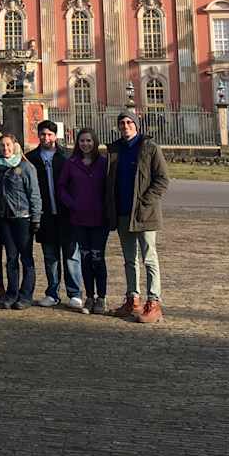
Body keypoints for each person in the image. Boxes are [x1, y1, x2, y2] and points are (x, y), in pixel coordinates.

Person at [106, 111, 170, 323]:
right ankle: (133, 299)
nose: (125, 126)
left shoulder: (150, 148)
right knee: (129, 260)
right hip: (123, 212)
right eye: (122, 123)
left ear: (136, 125)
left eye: (129, 122)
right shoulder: (114, 150)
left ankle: (154, 301)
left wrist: (145, 201)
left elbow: (162, 179)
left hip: (145, 213)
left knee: (149, 258)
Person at [27, 119, 83, 309]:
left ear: (55, 136)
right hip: (45, 215)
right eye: (43, 134)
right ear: (38, 136)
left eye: (50, 134)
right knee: (50, 257)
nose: (46, 137)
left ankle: (75, 293)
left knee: (71, 256)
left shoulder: (66, 157)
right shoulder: (31, 158)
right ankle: (52, 293)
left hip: (66, 214)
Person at [57, 127, 108, 313]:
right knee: (85, 259)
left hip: (99, 219)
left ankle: (101, 297)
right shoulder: (71, 163)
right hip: (79, 218)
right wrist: (72, 203)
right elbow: (61, 187)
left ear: (94, 142)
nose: (85, 144)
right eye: (82, 141)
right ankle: (89, 296)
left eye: (88, 141)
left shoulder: (103, 163)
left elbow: (109, 189)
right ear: (77, 143)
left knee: (98, 258)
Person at [0, 132, 41, 310]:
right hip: (5, 218)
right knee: (11, 258)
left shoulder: (26, 167)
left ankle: (26, 296)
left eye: (8, 145)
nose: (5, 148)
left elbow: (34, 194)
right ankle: (12, 294)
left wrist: (36, 218)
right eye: (2, 145)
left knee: (26, 258)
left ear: (15, 146)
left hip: (23, 218)